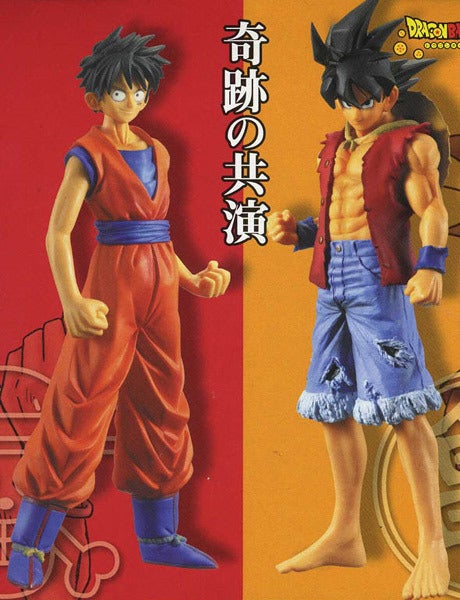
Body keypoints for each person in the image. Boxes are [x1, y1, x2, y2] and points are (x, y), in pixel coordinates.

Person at [7, 27, 230, 589]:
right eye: (119, 91)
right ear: (96, 97)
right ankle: (28, 543)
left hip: (160, 285)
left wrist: (192, 279)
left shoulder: (157, 150)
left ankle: (160, 538)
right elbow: (58, 233)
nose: (131, 100)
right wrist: (72, 300)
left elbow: (159, 230)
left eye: (140, 91)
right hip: (111, 287)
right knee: (80, 402)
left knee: (163, 400)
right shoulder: (88, 155)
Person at [268, 1, 450, 598]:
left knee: (402, 408)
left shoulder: (410, 146)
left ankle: (432, 545)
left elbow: (431, 209)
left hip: (378, 284)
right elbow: (337, 219)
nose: (354, 109)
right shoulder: (334, 147)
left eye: (364, 98)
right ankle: (346, 531)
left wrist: (432, 265)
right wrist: (297, 233)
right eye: (343, 99)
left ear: (389, 96)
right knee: (331, 404)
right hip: (331, 283)